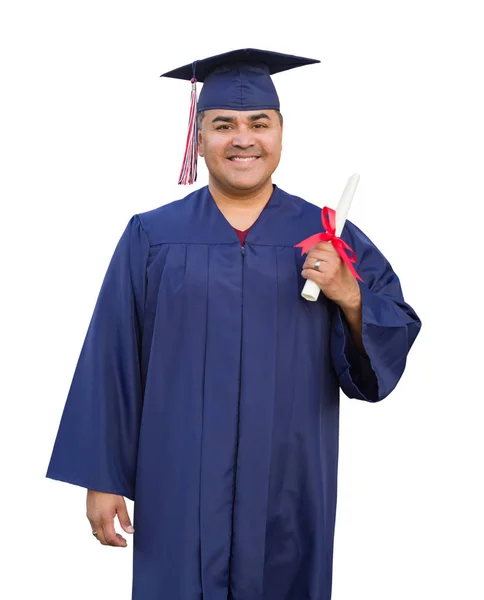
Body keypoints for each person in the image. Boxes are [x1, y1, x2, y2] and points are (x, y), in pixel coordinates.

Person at [46, 48, 421, 600]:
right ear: (199, 138)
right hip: (177, 479)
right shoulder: (152, 236)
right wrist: (102, 476)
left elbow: (396, 328)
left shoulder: (329, 234)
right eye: (224, 125)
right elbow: (112, 355)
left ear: (281, 134)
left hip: (289, 480)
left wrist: (350, 294)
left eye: (258, 124)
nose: (242, 139)